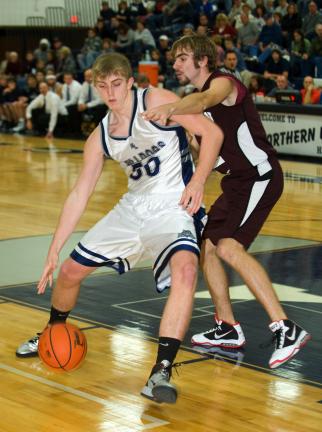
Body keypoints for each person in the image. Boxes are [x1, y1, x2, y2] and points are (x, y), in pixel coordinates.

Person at [15, 52, 223, 404]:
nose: (110, 93)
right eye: (102, 86)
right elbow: (80, 192)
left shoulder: (157, 100)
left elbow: (212, 133)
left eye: (116, 85)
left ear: (130, 82)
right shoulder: (101, 137)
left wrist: (199, 181)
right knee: (68, 272)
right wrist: (54, 248)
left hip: (173, 205)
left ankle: (161, 371)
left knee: (186, 271)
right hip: (131, 208)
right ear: (95, 87)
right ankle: (52, 332)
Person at [141, 34, 311, 369]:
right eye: (174, 59)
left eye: (182, 57)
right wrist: (186, 137)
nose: (175, 64)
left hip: (259, 176)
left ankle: (285, 328)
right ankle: (227, 327)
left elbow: (206, 98)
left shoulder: (223, 84)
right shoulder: (199, 107)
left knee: (229, 247)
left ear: (202, 59)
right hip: (236, 182)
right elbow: (211, 151)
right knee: (209, 247)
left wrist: (172, 108)